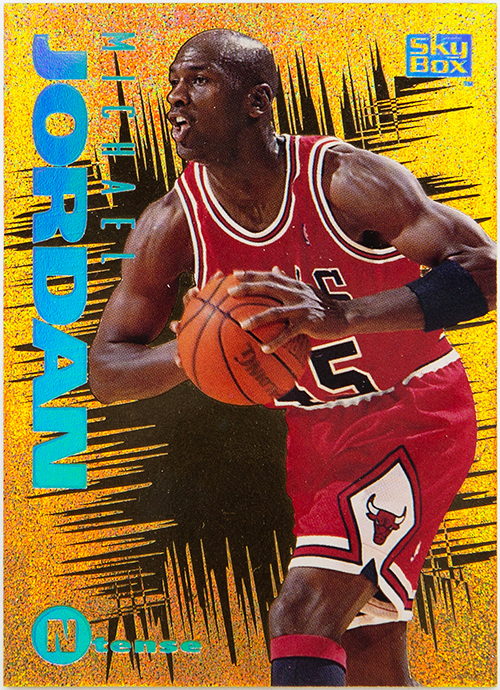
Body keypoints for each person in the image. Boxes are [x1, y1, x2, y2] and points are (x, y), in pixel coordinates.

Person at [89, 29, 496, 686]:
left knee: (300, 614)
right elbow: (107, 369)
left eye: (199, 81)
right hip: (314, 436)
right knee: (369, 662)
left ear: (257, 102)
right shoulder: (170, 222)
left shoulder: (343, 180)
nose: (176, 99)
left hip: (414, 412)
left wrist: (344, 316)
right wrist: (192, 354)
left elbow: (486, 269)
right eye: (173, 84)